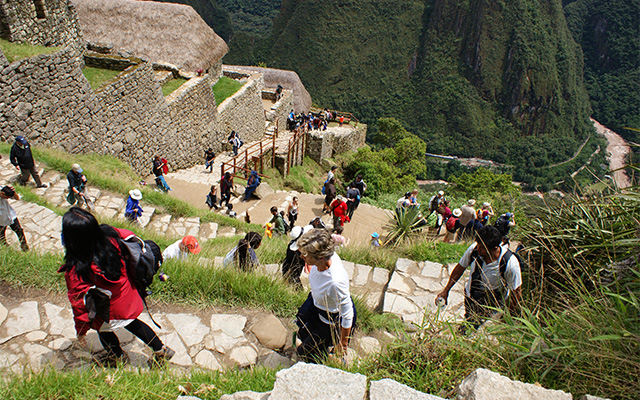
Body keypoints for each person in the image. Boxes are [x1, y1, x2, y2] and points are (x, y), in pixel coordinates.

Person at [58, 207, 174, 367]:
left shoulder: (78, 265)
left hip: (109, 307)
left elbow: (78, 302)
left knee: (102, 329)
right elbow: (129, 235)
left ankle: (117, 357)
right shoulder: (110, 236)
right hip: (128, 293)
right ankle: (161, 349)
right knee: (133, 323)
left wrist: (82, 330)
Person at [436, 226, 522, 330]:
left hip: (491, 302)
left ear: (494, 248)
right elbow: (460, 268)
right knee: (470, 319)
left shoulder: (510, 264)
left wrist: (507, 316)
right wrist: (446, 290)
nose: (477, 248)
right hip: (471, 295)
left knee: (474, 326)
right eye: (478, 245)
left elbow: (516, 292)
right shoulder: (474, 251)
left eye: (481, 247)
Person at [295, 229, 356, 363]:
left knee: (304, 353)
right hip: (317, 305)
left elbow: (347, 313)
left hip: (329, 320)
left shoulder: (335, 282)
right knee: (303, 333)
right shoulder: (326, 259)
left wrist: (343, 344)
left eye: (306, 255)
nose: (301, 257)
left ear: (320, 257)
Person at [0, 185, 28, 251]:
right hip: (1, 219)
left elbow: (17, 198)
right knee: (1, 236)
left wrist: (14, 192)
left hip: (10, 216)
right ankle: (8, 250)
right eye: (6, 197)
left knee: (19, 231)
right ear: (3, 194)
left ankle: (25, 248)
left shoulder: (4, 190)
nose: (7, 199)